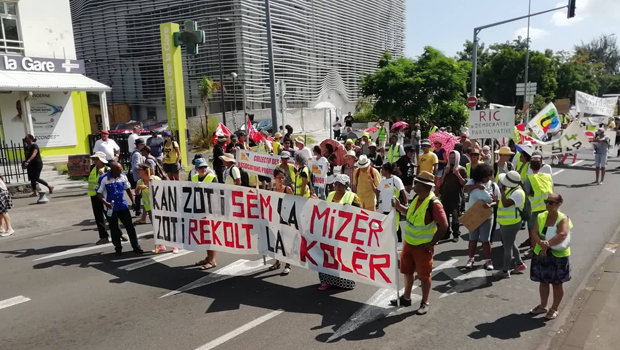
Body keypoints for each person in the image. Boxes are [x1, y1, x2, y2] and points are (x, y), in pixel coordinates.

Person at [391, 171, 448, 314]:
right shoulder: (417, 198)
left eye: (416, 183)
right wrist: (398, 207)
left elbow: (444, 225)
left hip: (423, 247)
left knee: (424, 276)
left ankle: (425, 302)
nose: (414, 185)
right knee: (408, 272)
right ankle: (406, 298)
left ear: (422, 186)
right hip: (409, 243)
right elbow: (410, 215)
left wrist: (432, 243)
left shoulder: (434, 204)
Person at [529, 193, 572, 320]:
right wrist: (542, 246)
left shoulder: (563, 218)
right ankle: (543, 306)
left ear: (559, 204)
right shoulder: (541, 216)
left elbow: (562, 234)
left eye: (551, 202)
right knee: (543, 281)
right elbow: (534, 232)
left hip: (558, 255)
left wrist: (547, 246)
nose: (548, 204)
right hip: (541, 252)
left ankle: (554, 308)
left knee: (557, 283)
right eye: (546, 201)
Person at [319, 174, 361, 290]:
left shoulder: (353, 197)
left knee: (344, 257)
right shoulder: (331, 195)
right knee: (328, 256)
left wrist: (351, 209)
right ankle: (327, 281)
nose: (337, 187)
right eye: (336, 184)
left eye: (340, 185)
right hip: (330, 232)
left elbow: (360, 214)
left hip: (345, 233)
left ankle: (345, 281)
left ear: (346, 186)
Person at [96, 162, 143, 256]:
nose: (121, 171)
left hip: (122, 205)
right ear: (112, 170)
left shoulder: (123, 177)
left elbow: (128, 189)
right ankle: (118, 248)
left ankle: (136, 246)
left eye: (121, 169)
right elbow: (98, 193)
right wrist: (105, 202)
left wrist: (133, 201)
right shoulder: (104, 178)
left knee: (130, 227)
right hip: (110, 207)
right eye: (119, 169)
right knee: (114, 229)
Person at [464, 163, 500, 270]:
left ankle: (488, 260)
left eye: (488, 176)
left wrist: (490, 205)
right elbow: (465, 188)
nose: (487, 178)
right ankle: (470, 259)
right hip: (473, 215)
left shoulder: (493, 186)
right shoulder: (473, 182)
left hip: (486, 216)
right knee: (472, 239)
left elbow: (497, 201)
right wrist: (476, 186)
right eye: (485, 176)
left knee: (485, 240)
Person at [522, 151, 555, 256]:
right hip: (549, 207)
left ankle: (535, 250)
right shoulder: (547, 176)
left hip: (536, 209)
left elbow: (526, 192)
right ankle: (546, 249)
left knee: (534, 231)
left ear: (530, 167)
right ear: (541, 165)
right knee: (544, 230)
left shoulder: (530, 178)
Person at [496, 171, 528, 278]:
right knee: (511, 243)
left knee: (507, 247)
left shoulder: (518, 192)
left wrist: (502, 191)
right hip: (507, 222)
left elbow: (506, 204)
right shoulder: (513, 189)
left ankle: (505, 271)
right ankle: (519, 263)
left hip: (511, 223)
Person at [190, 158, 218, 268]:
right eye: (201, 167)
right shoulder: (194, 177)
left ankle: (212, 260)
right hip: (199, 209)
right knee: (204, 235)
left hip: (210, 210)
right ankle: (208, 258)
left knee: (210, 235)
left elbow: (217, 195)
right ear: (196, 168)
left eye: (205, 167)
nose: (203, 169)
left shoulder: (212, 178)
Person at [268, 168, 294, 275]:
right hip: (275, 219)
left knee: (286, 243)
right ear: (274, 178)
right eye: (279, 178)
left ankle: (288, 265)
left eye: (283, 178)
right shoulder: (272, 190)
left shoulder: (287, 189)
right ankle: (277, 262)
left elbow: (294, 204)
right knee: (276, 241)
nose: (281, 180)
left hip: (285, 220)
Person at [438, 150, 467, 242]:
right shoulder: (445, 169)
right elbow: (440, 183)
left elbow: (464, 184)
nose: (451, 160)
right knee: (445, 217)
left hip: (456, 196)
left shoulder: (461, 169)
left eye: (454, 158)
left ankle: (456, 234)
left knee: (455, 217)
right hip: (445, 195)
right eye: (450, 158)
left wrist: (458, 174)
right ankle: (446, 233)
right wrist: (444, 174)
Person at [374, 163, 407, 241]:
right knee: (385, 225)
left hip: (394, 208)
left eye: (382, 169)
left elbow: (403, 192)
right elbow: (377, 191)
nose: (381, 171)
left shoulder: (395, 180)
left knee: (396, 226)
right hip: (385, 208)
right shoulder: (383, 181)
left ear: (387, 170)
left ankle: (399, 242)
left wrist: (406, 204)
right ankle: (388, 242)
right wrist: (371, 182)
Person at [87, 152, 111, 244]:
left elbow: (110, 182)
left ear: (101, 160)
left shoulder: (107, 169)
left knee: (110, 215)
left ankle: (118, 233)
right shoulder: (92, 168)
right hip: (94, 195)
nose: (94, 161)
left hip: (104, 196)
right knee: (98, 217)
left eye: (96, 159)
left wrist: (102, 175)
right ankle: (103, 236)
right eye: (94, 159)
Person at [130, 138, 145, 217]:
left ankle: (138, 209)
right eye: (141, 144)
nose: (143, 146)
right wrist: (143, 169)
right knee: (139, 194)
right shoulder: (137, 154)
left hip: (138, 175)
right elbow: (136, 166)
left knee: (139, 193)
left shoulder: (136, 153)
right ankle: (138, 210)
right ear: (138, 145)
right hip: (139, 176)